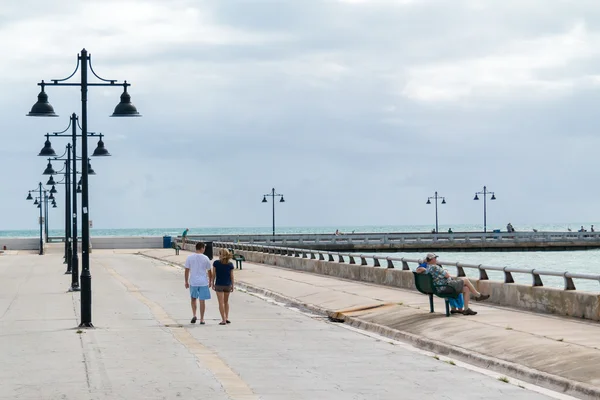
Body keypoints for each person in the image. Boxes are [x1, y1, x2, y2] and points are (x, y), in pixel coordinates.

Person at [416, 253, 489, 315]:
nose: (436, 259)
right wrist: (445, 272)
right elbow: (447, 276)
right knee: (465, 280)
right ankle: (478, 295)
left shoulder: (427, 268)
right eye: (435, 258)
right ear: (432, 259)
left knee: (466, 289)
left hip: (439, 287)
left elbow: (418, 270)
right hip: (445, 287)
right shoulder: (435, 267)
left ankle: (466, 309)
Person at [184, 241, 212, 324]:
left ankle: (194, 315)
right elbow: (209, 271)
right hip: (203, 282)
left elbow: (186, 270)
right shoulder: (206, 258)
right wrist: (210, 281)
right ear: (202, 248)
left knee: (193, 299)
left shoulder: (189, 257)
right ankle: (202, 319)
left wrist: (186, 281)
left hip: (193, 282)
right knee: (202, 300)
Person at [211, 248, 235, 325]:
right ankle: (227, 317)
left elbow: (214, 274)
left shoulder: (216, 263)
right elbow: (232, 276)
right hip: (227, 284)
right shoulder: (230, 264)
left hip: (219, 285)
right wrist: (232, 285)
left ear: (221, 255)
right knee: (226, 302)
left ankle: (223, 319)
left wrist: (212, 283)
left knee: (221, 303)